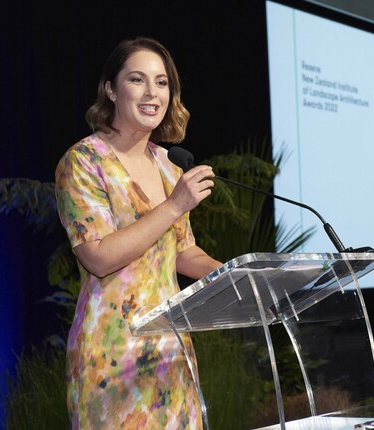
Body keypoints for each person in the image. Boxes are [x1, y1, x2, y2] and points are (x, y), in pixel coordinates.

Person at [55, 37, 222, 429]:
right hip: (113, 357)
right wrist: (173, 206)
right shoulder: (83, 161)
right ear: (111, 90)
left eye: (162, 82)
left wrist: (241, 276)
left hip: (171, 353)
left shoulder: (169, 166)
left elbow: (184, 253)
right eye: (137, 80)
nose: (152, 93)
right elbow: (97, 257)